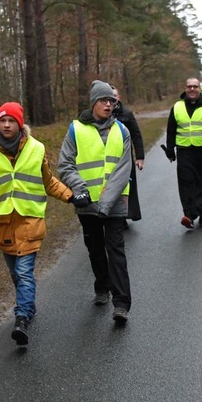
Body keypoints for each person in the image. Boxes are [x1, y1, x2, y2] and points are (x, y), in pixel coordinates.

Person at [0, 102, 76, 346]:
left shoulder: (36, 149)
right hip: (4, 225)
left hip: (30, 221)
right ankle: (28, 305)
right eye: (2, 121)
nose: (6, 125)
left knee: (24, 272)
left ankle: (22, 318)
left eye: (11, 121)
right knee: (15, 275)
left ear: (20, 123)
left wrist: (70, 196)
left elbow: (48, 182)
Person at [57, 80, 133, 324]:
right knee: (95, 249)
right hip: (87, 205)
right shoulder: (75, 130)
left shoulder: (122, 131)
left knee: (116, 251)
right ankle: (102, 287)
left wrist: (107, 204)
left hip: (115, 205)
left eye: (111, 101)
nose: (108, 105)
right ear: (93, 103)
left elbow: (123, 170)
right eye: (104, 100)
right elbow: (65, 164)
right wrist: (79, 188)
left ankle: (121, 304)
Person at [164, 77, 202, 228]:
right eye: (189, 86)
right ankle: (189, 215)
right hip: (185, 152)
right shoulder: (177, 107)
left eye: (195, 87)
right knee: (187, 183)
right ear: (185, 89)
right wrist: (170, 150)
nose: (192, 89)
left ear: (199, 88)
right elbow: (171, 130)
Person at [110, 85, 145, 225]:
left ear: (119, 98)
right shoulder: (101, 114)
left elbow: (136, 135)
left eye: (114, 96)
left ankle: (126, 214)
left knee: (127, 187)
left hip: (125, 158)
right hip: (108, 159)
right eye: (109, 96)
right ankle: (115, 216)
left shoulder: (127, 113)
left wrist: (140, 157)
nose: (112, 99)